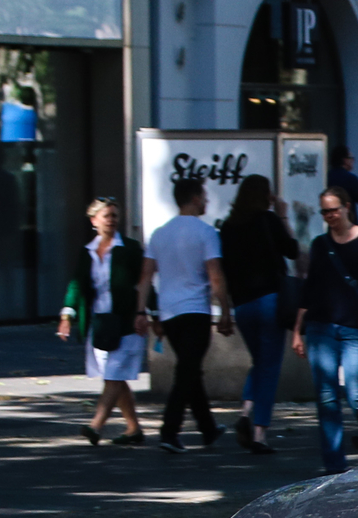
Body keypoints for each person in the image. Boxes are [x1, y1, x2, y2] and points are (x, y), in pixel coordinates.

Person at [292, 186, 358, 474]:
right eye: (324, 211)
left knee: (357, 393)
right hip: (321, 327)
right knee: (326, 396)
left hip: (357, 328)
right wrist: (297, 330)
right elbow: (309, 288)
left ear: (347, 207)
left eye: (333, 210)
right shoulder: (319, 244)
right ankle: (333, 464)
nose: (329, 216)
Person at [145, 177, 234, 452]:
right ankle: (169, 430)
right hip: (195, 310)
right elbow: (215, 275)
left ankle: (207, 428)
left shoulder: (160, 234)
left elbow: (146, 276)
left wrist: (147, 312)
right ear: (195, 198)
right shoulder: (206, 233)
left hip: (169, 312)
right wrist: (225, 310)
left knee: (189, 368)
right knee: (187, 370)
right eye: (204, 196)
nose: (207, 201)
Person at [55, 197, 150, 446]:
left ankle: (96, 425)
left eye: (115, 216)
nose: (112, 220)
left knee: (114, 375)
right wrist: (67, 314)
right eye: (107, 215)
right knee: (115, 377)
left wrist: (151, 313)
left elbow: (145, 281)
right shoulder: (87, 252)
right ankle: (133, 429)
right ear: (94, 220)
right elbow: (77, 284)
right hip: (99, 324)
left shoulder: (129, 248)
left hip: (127, 321)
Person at [218, 173, 299, 455]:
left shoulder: (228, 227)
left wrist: (226, 308)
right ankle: (260, 433)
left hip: (243, 305)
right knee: (269, 367)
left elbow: (224, 270)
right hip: (270, 300)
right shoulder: (269, 220)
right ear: (266, 196)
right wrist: (284, 216)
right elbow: (292, 251)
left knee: (259, 361)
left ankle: (245, 412)